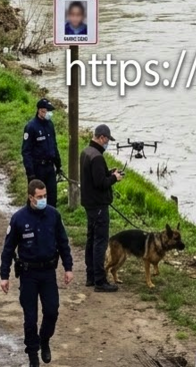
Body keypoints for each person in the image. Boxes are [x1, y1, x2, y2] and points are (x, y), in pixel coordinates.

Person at [0, 180, 74, 367]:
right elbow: (8, 249)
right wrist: (4, 276)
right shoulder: (19, 219)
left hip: (48, 272)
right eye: (39, 197)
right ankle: (33, 354)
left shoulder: (53, 215)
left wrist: (68, 267)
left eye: (45, 196)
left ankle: (45, 340)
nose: (43, 200)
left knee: (51, 311)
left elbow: (63, 242)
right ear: (30, 197)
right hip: (28, 274)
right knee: (30, 318)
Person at [80, 124, 123, 292]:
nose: (107, 143)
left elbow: (94, 177)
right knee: (100, 242)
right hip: (98, 205)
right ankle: (100, 280)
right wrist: (114, 178)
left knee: (91, 240)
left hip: (89, 203)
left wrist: (109, 173)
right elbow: (101, 183)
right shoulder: (97, 156)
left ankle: (91, 276)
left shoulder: (86, 152)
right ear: (102, 137)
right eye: (107, 140)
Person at [22, 99, 61, 207]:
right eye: (47, 110)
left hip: (50, 167)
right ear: (40, 110)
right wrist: (30, 173)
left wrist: (58, 165)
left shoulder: (50, 125)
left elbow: (54, 145)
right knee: (36, 198)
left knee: (52, 198)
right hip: (37, 168)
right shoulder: (31, 127)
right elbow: (26, 151)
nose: (49, 113)